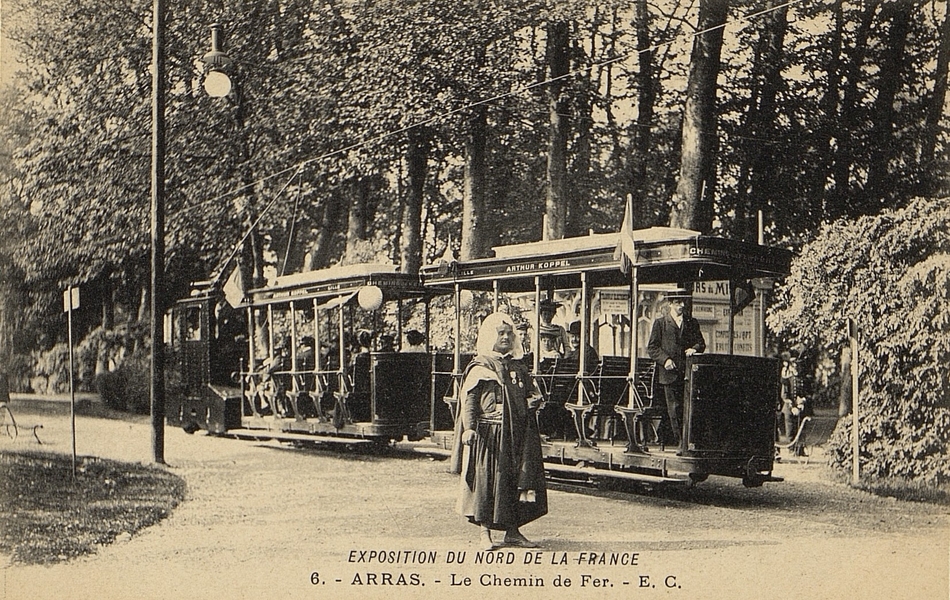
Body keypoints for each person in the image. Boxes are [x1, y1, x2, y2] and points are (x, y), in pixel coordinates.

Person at [451, 313, 547, 551]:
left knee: (515, 481)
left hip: (517, 433)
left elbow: (531, 394)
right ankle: (485, 533)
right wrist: (469, 429)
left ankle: (513, 532)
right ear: (489, 337)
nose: (505, 337)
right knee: (488, 482)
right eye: (500, 333)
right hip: (490, 433)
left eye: (508, 333)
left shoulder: (518, 366)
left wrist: (533, 401)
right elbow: (471, 401)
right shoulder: (481, 366)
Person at [647, 289, 705, 450]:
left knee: (689, 406)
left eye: (683, 302)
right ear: (671, 303)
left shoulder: (691, 323)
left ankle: (687, 440)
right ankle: (681, 442)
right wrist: (665, 360)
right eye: (678, 302)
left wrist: (694, 349)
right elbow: (652, 348)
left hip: (687, 373)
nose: (682, 305)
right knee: (674, 408)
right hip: (668, 374)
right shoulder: (660, 323)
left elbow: (701, 343)